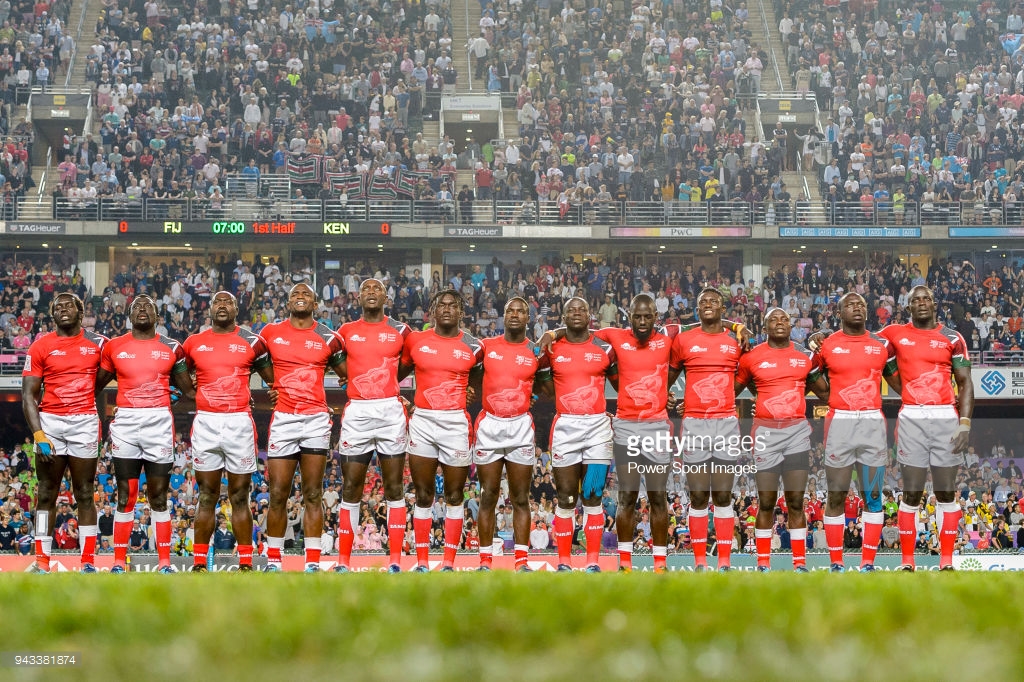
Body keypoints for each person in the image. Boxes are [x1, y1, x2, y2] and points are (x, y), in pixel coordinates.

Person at [95, 294, 194, 573]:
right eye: (136, 306)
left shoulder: (172, 347)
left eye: (147, 306)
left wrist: (230, 395)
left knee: (159, 497)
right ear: (128, 315)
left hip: (159, 423)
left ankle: (164, 563)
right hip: (126, 422)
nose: (141, 310)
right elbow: (96, 385)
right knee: (125, 494)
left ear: (157, 316)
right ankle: (117, 562)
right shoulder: (114, 346)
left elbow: (188, 390)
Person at [878, 285, 973, 571]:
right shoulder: (894, 333)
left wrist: (965, 424)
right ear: (908, 308)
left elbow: (966, 382)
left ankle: (946, 563)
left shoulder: (952, 337)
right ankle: (908, 563)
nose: (921, 303)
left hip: (946, 416)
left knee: (946, 492)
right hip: (912, 418)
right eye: (915, 300)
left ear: (935, 305)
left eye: (926, 299)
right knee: (911, 493)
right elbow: (866, 346)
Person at [182, 292, 274, 572]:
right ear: (209, 310)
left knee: (239, 497)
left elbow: (274, 379)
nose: (222, 305)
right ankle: (199, 563)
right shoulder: (193, 343)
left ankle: (245, 563)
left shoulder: (253, 341)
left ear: (236, 308)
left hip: (239, 423)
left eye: (228, 302)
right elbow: (179, 377)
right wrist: (195, 393)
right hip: (207, 421)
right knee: (207, 495)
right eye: (217, 302)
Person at [258, 283, 346, 572]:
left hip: (315, 420)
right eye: (294, 294)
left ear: (315, 302)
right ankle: (273, 560)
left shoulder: (328, 337)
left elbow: (347, 375)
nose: (300, 298)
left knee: (312, 493)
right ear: (287, 302)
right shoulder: (271, 333)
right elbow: (252, 360)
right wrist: (273, 384)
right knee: (278, 494)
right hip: (283, 419)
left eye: (306, 294)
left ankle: (312, 562)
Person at [808, 293, 899, 572]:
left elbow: (899, 382)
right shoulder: (826, 344)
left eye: (861, 304)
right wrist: (830, 396)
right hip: (840, 423)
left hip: (872, 422)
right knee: (836, 495)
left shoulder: (883, 344)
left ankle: (868, 563)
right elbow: (811, 375)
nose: (857, 308)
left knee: (872, 496)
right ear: (839, 312)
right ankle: (836, 562)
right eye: (850, 304)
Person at [735, 308, 829, 572]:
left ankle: (800, 564)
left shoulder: (804, 355)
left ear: (792, 326)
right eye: (773, 319)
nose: (780, 322)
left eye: (785, 319)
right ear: (765, 327)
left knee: (796, 502)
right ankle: (763, 564)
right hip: (765, 434)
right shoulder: (752, 357)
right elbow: (733, 388)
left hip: (797, 434)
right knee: (766, 501)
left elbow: (826, 393)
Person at [22, 292, 108, 573]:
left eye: (68, 305)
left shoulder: (98, 343)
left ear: (80, 312)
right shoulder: (40, 346)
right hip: (51, 424)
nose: (63, 310)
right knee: (46, 493)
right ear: (52, 315)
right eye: (57, 307)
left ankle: (87, 562)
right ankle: (42, 561)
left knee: (85, 493)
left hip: (84, 421)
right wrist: (39, 435)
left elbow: (123, 373)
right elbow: (28, 396)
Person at [399, 290, 483, 572]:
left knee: (455, 495)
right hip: (422, 421)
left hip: (455, 423)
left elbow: (480, 381)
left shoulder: (474, 346)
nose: (447, 309)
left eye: (453, 305)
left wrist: (470, 391)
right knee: (423, 495)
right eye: (441, 305)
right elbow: (393, 375)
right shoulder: (416, 340)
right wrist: (403, 400)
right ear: (433, 311)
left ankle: (448, 562)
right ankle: (422, 562)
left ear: (462, 312)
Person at [334, 279, 412, 573]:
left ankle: (394, 560)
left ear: (385, 296)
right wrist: (348, 375)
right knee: (351, 486)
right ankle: (343, 561)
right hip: (358, 411)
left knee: (394, 487)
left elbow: (408, 363)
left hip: (390, 409)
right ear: (357, 297)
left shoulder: (401, 331)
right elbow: (332, 357)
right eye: (365, 289)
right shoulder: (345, 331)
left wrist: (389, 381)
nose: (370, 293)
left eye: (376, 289)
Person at [537, 297, 617, 572]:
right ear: (563, 314)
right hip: (565, 428)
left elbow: (621, 382)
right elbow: (542, 382)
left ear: (590, 314)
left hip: (597, 427)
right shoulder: (553, 347)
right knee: (567, 498)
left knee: (593, 495)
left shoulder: (605, 347)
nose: (577, 313)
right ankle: (564, 562)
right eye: (571, 309)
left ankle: (593, 562)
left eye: (582, 309)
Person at [669, 288, 745, 571]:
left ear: (723, 307)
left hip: (726, 422)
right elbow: (669, 376)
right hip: (694, 424)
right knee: (699, 496)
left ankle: (724, 562)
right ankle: (700, 562)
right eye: (703, 302)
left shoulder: (736, 340)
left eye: (714, 301)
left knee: (724, 496)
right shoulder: (684, 339)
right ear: (697, 308)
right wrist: (672, 398)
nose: (709, 305)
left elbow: (745, 377)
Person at [471, 296, 548, 572]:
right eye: (510, 311)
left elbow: (546, 385)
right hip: (490, 424)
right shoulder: (486, 346)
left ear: (529, 318)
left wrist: (530, 397)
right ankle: (484, 561)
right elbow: (469, 373)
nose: (515, 315)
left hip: (519, 427)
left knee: (520, 497)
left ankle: (521, 562)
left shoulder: (537, 350)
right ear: (503, 316)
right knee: (489, 495)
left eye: (521, 311)